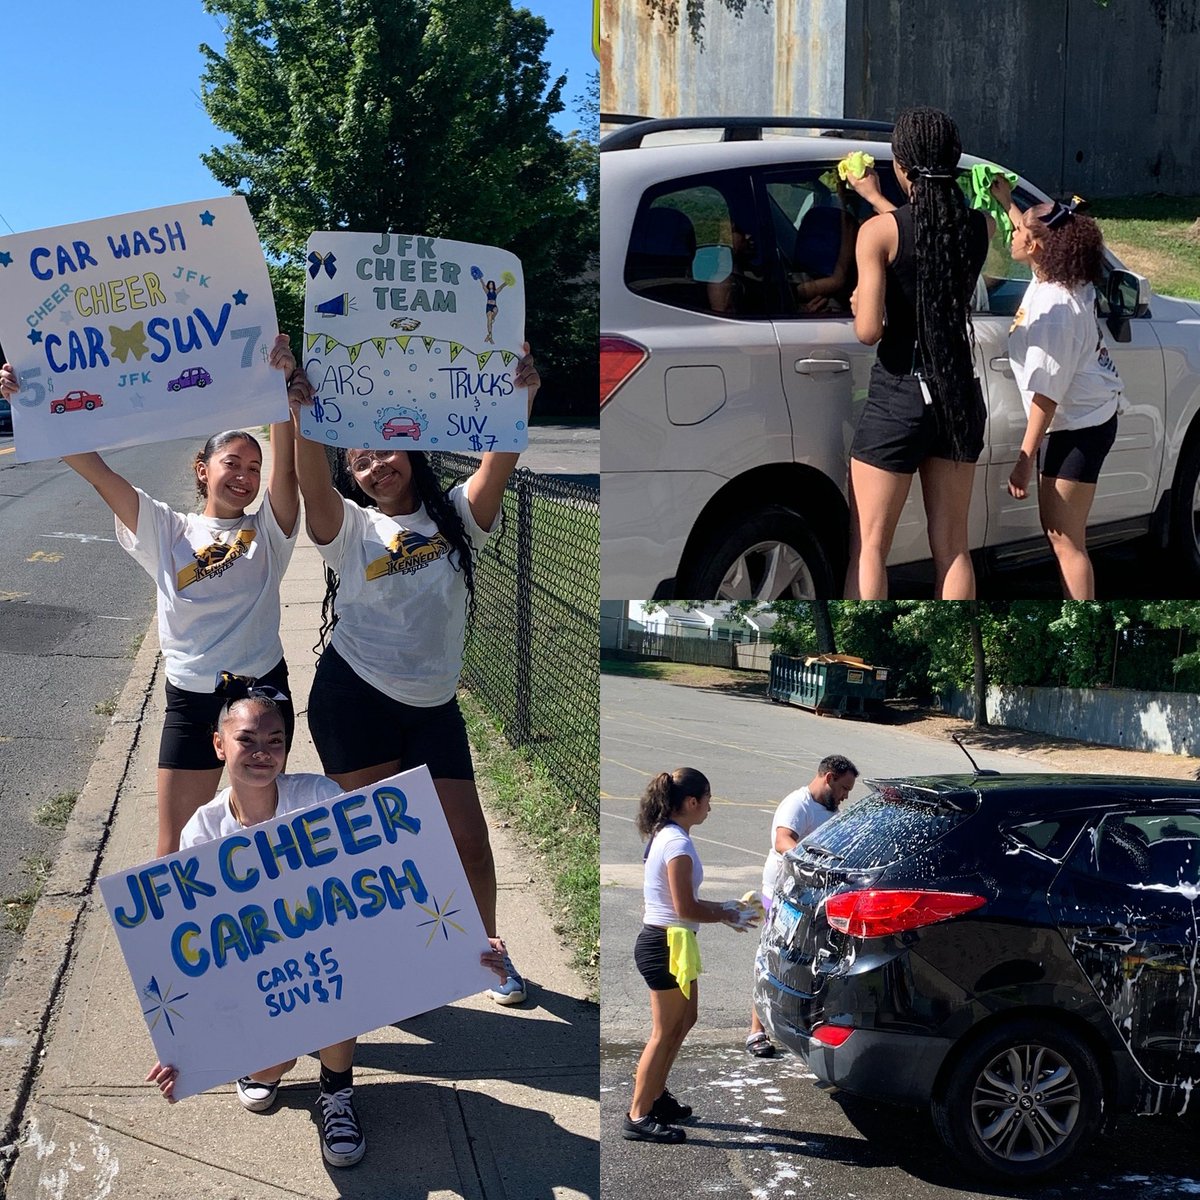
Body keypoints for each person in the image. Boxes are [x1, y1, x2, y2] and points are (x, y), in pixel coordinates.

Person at [144, 693, 510, 1168]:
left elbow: (387, 885)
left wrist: (465, 945)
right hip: (258, 972)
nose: (262, 751)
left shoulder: (318, 798)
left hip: (328, 967)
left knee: (336, 966)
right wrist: (189, 1053)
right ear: (218, 745)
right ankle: (275, 1059)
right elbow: (198, 947)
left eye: (275, 740)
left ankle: (336, 1089)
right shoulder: (202, 831)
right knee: (268, 1066)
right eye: (246, 740)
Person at [286, 347, 540, 1006]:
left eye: (384, 452)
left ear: (410, 449)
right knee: (381, 856)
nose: (375, 467)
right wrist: (300, 414)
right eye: (360, 461)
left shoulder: (457, 515)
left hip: (433, 707)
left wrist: (520, 396)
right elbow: (313, 485)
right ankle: (387, 962)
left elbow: (500, 459)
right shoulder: (348, 529)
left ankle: (486, 954)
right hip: (353, 701)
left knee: (466, 840)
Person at [0, 338, 301, 856]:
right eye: (233, 463)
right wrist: (29, 402)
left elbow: (288, 475)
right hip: (193, 697)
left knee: (261, 837)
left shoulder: (271, 530)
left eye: (254, 468)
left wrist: (280, 392)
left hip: (262, 696)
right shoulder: (165, 528)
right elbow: (98, 472)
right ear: (203, 469)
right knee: (174, 853)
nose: (246, 477)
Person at [844, 106, 996, 600]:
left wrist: (859, 300)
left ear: (900, 166)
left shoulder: (878, 234)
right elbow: (929, 235)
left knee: (869, 548)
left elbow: (868, 331)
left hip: (899, 394)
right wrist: (878, 199)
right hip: (958, 393)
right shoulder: (979, 228)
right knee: (953, 548)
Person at [990, 179, 1123, 599]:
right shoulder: (1060, 275)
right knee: (1062, 536)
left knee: (1066, 539)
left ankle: (1078, 619)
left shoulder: (1054, 308)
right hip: (1084, 418)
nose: (1013, 233)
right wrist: (1009, 204)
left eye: (1019, 232)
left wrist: (1024, 459)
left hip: (1080, 424)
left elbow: (1047, 393)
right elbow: (1040, 235)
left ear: (1036, 247)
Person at [625, 768, 758, 1144]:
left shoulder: (669, 835)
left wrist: (725, 909)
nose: (710, 808)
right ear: (691, 802)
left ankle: (655, 1095)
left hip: (676, 943)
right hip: (663, 943)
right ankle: (637, 1115)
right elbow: (685, 907)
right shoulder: (677, 844)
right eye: (708, 800)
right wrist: (728, 913)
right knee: (664, 1031)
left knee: (686, 1019)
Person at [745, 755, 858, 1058]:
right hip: (784, 895)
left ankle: (793, 1023)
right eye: (844, 788)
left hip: (811, 897)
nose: (846, 795)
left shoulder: (830, 809)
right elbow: (784, 840)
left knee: (802, 962)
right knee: (772, 954)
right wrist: (813, 864)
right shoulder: (799, 804)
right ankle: (757, 1030)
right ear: (829, 778)